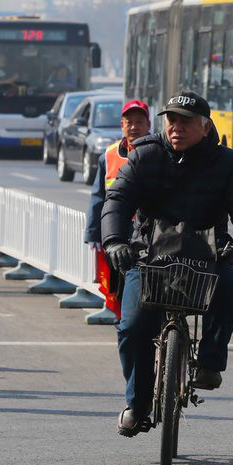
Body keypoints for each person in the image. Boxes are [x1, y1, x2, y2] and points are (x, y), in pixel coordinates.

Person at [100, 90, 233, 437]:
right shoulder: (146, 155)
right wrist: (115, 241)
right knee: (132, 328)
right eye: (171, 120)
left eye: (186, 121)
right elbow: (117, 200)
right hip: (148, 255)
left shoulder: (227, 163)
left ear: (205, 127)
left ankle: (209, 362)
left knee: (229, 290)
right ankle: (138, 403)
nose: (176, 127)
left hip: (206, 256)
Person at [83, 100, 151, 318]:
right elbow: (98, 198)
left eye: (139, 122)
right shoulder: (109, 156)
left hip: (149, 234)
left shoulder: (159, 152)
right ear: (122, 125)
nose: (134, 127)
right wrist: (93, 234)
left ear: (148, 125)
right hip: (116, 234)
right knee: (117, 288)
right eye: (129, 122)